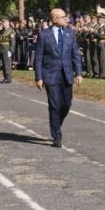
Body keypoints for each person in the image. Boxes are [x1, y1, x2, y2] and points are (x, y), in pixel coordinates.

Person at [34, 8, 83, 148]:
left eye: (65, 17)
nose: (65, 19)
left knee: (66, 105)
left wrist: (78, 73)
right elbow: (38, 58)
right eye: (62, 17)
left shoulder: (70, 33)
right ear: (54, 19)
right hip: (50, 75)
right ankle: (57, 135)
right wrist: (39, 77)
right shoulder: (44, 35)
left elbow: (75, 55)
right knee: (55, 106)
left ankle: (56, 124)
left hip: (67, 74)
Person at [0, 18, 15, 83]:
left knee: (7, 64)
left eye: (3, 23)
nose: (2, 24)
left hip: (7, 49)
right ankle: (5, 77)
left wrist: (11, 50)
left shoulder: (11, 31)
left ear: (7, 23)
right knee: (4, 64)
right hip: (2, 49)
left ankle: (8, 78)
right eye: (2, 23)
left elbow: (12, 42)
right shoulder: (3, 31)